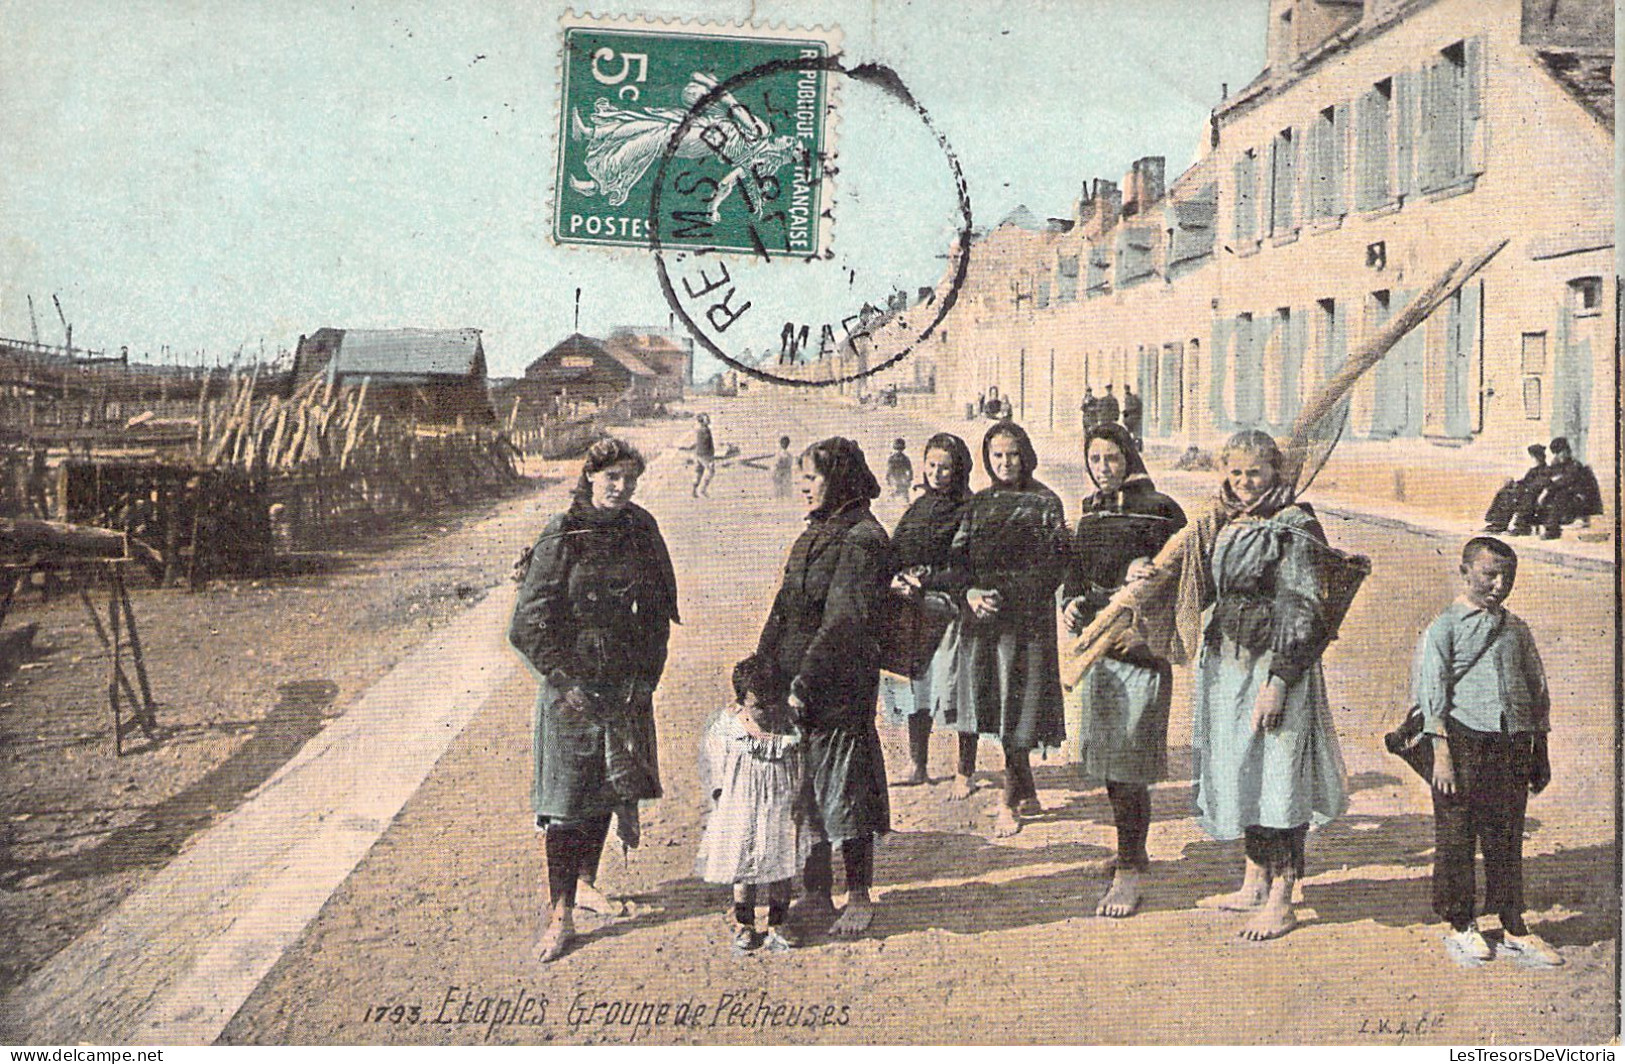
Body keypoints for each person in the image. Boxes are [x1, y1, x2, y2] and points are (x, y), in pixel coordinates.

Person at [509, 437, 680, 963]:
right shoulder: (563, 535)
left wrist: (645, 678)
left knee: (608, 788)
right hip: (570, 690)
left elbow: (658, 612)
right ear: (589, 477)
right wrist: (565, 679)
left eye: (630, 479)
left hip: (623, 684)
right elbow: (527, 623)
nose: (621, 488)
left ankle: (587, 882)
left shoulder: (640, 530)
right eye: (611, 478)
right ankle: (560, 915)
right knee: (564, 803)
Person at [1191, 429, 1347, 941]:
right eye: (1234, 472)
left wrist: (1279, 682)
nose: (1241, 482)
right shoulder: (1230, 519)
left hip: (1277, 667)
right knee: (1245, 770)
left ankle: (1284, 894)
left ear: (1275, 472)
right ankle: (1254, 879)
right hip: (1233, 665)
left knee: (1280, 775)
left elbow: (1307, 609)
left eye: (1252, 472)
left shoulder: (1294, 525)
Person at [756, 437, 891, 936]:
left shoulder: (862, 538)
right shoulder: (816, 532)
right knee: (806, 788)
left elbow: (844, 622)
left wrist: (805, 682)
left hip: (839, 685)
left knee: (846, 788)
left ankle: (858, 894)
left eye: (812, 478)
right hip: (799, 683)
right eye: (802, 477)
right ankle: (816, 893)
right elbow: (785, 605)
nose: (803, 486)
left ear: (840, 480)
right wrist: (760, 666)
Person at [1413, 537, 1561, 966]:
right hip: (1463, 741)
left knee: (1507, 833)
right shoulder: (1446, 626)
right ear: (1465, 572)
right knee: (1458, 834)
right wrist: (1440, 752)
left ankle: (1513, 923)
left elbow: (1537, 691)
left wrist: (1540, 749)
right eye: (1489, 574)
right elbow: (1432, 693)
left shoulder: (1517, 629)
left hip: (1512, 742)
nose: (1499, 585)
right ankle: (1461, 923)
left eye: (1507, 577)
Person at [1062, 422, 1186, 917]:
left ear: (1129, 457)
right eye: (1095, 460)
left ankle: (1130, 871)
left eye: (1112, 458)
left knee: (1131, 764)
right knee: (1113, 766)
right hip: (1100, 653)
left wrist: (1149, 581)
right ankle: (1130, 850)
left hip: (1140, 651)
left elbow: (1184, 581)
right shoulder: (1090, 512)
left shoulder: (1160, 509)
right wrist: (1071, 603)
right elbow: (1076, 570)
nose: (1103, 469)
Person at [941, 420, 1070, 837]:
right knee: (991, 705)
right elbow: (956, 561)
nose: (1005, 463)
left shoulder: (1044, 502)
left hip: (1025, 624)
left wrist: (1006, 595)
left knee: (1021, 710)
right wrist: (970, 593)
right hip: (982, 623)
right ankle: (1025, 789)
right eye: (997, 455)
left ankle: (1008, 802)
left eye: (1013, 454)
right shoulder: (979, 504)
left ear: (1026, 455)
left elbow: (1052, 566)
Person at [879, 433, 975, 786]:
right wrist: (895, 577)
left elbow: (968, 566)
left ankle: (965, 770)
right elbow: (895, 549)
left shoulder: (969, 509)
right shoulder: (918, 506)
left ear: (959, 469)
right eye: (931, 465)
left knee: (956, 690)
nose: (936, 473)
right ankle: (918, 765)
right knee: (914, 686)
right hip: (913, 609)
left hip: (950, 610)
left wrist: (929, 578)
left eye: (945, 467)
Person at [697, 654, 807, 953]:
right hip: (743, 805)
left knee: (780, 864)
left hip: (779, 804)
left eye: (775, 703)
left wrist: (798, 797)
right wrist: (720, 792)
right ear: (741, 702)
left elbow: (799, 763)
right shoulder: (731, 726)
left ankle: (778, 923)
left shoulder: (790, 726)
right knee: (744, 865)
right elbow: (715, 761)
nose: (768, 712)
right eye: (759, 706)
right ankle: (745, 924)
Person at [1535, 437, 1603, 539]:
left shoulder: (1575, 465)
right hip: (1568, 498)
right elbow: (1545, 478)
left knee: (1559, 495)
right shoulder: (1557, 465)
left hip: (1581, 500)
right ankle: (1524, 524)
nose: (1558, 456)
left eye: (1560, 452)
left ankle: (1552, 530)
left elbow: (1565, 481)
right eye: (1556, 453)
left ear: (1567, 451)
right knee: (1536, 492)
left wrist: (1547, 489)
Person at [1482, 444, 1547, 534]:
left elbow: (1538, 485)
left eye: (1535, 456)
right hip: (1525, 492)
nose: (1534, 459)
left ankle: (1517, 526)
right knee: (1504, 492)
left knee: (1513, 497)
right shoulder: (1533, 470)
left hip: (1533, 495)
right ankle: (1498, 523)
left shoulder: (1545, 470)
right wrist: (1514, 483)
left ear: (1541, 456)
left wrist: (1522, 487)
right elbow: (1525, 481)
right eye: (1533, 456)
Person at [686, 413, 716, 498]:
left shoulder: (698, 430)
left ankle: (694, 491)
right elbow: (707, 444)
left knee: (698, 472)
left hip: (698, 454)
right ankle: (703, 490)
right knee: (711, 471)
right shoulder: (705, 430)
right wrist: (710, 456)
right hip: (705, 455)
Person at [1121, 383, 1144, 450]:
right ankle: (1133, 447)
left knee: (1135, 434)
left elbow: (1134, 407)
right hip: (1129, 419)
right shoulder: (1127, 397)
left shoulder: (1132, 398)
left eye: (1126, 389)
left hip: (1133, 419)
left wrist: (1127, 410)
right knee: (1131, 434)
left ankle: (1137, 447)